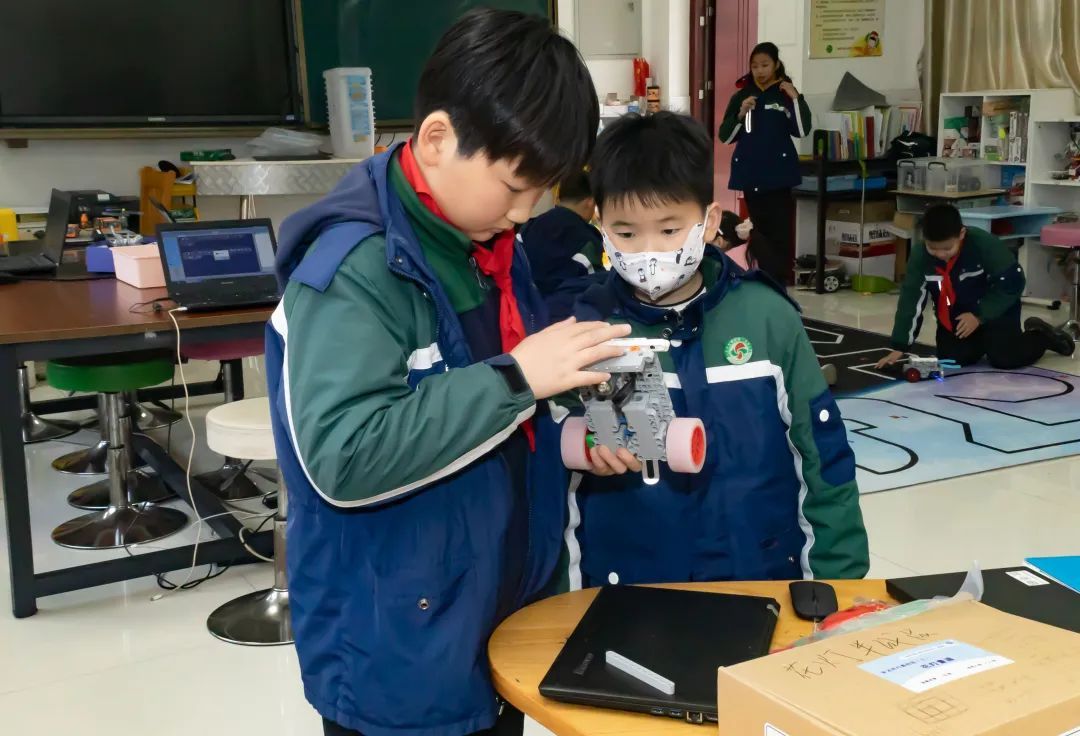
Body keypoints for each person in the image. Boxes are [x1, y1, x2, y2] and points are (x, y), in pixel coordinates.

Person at [265, 10, 640, 736]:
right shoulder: (355, 270)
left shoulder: (489, 240)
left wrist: (568, 442)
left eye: (543, 191)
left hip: (491, 625)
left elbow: (487, 425)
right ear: (437, 139)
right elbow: (343, 457)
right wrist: (518, 379)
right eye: (514, 185)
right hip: (398, 658)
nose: (526, 212)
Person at [563, 111, 869, 591]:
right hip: (626, 585)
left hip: (756, 576)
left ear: (709, 222)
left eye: (668, 230)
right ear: (600, 225)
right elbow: (553, 473)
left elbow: (821, 454)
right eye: (626, 233)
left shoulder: (767, 318)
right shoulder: (584, 329)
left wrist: (838, 583)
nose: (648, 252)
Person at [876, 204, 1074, 371]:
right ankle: (982, 343)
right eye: (932, 248)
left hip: (996, 309)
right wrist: (900, 345)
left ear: (961, 234)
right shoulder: (920, 256)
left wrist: (979, 315)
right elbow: (911, 300)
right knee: (952, 359)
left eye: (947, 248)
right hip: (957, 315)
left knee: (1005, 359)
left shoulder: (984, 245)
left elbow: (1012, 283)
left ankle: (1040, 336)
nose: (940, 254)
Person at [718, 42, 812, 285]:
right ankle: (762, 278)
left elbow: (802, 130)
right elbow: (725, 136)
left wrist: (796, 98)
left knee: (780, 232)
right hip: (751, 175)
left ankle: (779, 281)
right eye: (755, 66)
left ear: (776, 64)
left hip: (779, 176)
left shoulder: (784, 93)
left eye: (765, 65)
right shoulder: (743, 94)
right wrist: (740, 114)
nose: (760, 71)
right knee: (758, 231)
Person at [521, 170, 603, 319]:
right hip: (564, 315)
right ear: (590, 202)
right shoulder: (586, 238)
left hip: (525, 310)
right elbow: (596, 283)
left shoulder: (530, 226)